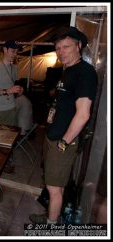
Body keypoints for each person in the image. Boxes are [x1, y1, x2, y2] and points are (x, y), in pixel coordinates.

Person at [29, 26, 98, 224]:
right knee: (52, 183)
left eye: (66, 47)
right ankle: (52, 214)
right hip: (54, 135)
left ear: (79, 46)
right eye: (58, 48)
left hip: (63, 141)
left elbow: (83, 114)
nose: (61, 52)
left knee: (54, 188)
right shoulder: (68, 71)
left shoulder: (85, 72)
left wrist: (64, 142)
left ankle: (51, 227)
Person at [0, 40, 23, 127]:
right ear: (5, 50)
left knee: (12, 136)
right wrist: (7, 91)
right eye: (13, 51)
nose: (15, 54)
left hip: (13, 107)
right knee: (1, 138)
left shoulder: (14, 68)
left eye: (16, 52)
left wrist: (19, 90)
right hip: (0, 111)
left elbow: (13, 86)